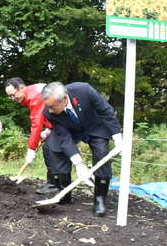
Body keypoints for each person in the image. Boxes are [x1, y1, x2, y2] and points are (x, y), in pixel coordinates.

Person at [41, 81, 123, 216]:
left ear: (65, 99)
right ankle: (64, 193)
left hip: (94, 126)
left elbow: (105, 111)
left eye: (52, 106)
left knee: (102, 152)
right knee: (55, 149)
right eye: (47, 106)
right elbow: (64, 137)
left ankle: (100, 199)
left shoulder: (84, 90)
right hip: (70, 130)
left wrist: (117, 137)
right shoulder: (49, 112)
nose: (50, 110)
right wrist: (78, 164)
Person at [4, 78, 55, 193]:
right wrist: (48, 129)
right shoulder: (32, 91)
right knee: (48, 148)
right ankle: (51, 182)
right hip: (57, 124)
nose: (13, 98)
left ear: (21, 88)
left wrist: (31, 148)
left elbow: (36, 123)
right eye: (10, 96)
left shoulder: (35, 97)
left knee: (50, 148)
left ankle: (53, 184)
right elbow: (46, 114)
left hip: (65, 124)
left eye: (13, 95)